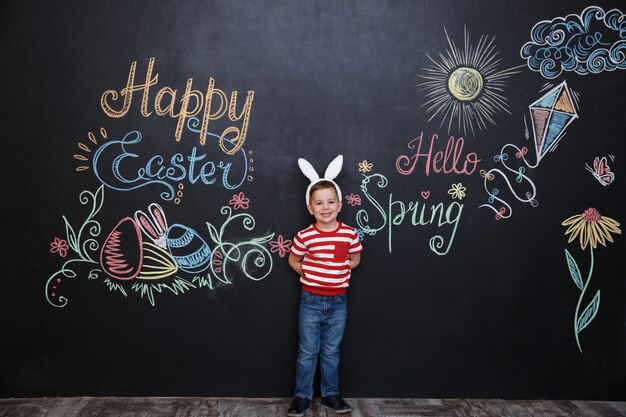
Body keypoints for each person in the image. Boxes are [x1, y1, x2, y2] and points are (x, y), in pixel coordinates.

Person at [287, 156, 363, 416]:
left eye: (331, 202)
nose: (326, 207)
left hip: (338, 302)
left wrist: (338, 272)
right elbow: (293, 259)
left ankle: (331, 395)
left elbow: (354, 259)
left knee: (331, 352)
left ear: (340, 205)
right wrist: (311, 274)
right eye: (319, 203)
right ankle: (302, 397)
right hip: (311, 300)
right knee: (307, 352)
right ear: (310, 208)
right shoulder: (305, 235)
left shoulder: (349, 233)